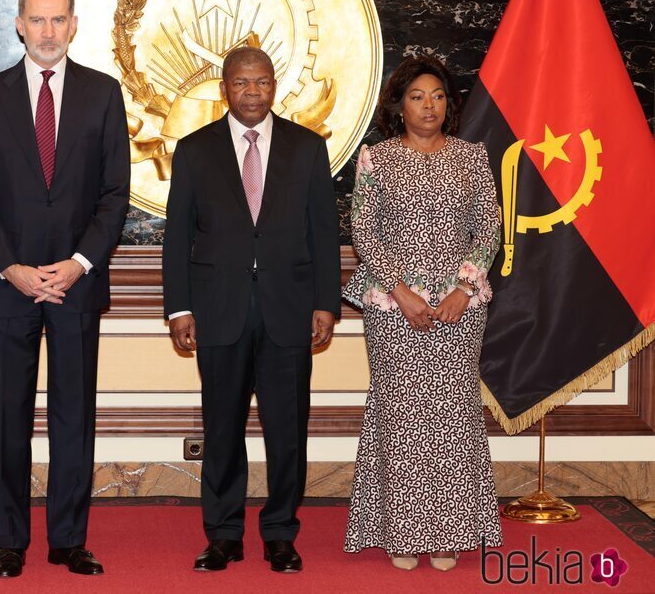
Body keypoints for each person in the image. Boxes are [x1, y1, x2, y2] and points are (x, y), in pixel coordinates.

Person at [0, 0, 130, 578]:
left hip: (76, 283)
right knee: (8, 415)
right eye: (38, 20)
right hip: (11, 284)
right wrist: (12, 267)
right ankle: (10, 540)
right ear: (19, 24)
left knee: (73, 416)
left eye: (59, 20)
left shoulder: (105, 95)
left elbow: (114, 195)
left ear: (74, 23)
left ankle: (67, 539)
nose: (48, 31)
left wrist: (77, 264)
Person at [163, 46, 341, 573]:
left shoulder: (308, 148)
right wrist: (178, 309)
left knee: (288, 432)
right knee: (222, 428)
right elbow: (178, 237)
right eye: (241, 83)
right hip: (218, 311)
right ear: (225, 87)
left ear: (274, 86)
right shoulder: (195, 150)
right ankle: (223, 535)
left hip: (289, 310)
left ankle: (281, 533)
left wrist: (326, 304)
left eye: (261, 82)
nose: (252, 92)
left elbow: (324, 234)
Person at [342, 55, 503, 571]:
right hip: (393, 306)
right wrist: (402, 291)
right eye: (417, 96)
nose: (428, 105)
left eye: (437, 95)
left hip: (461, 306)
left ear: (449, 105)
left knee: (451, 414)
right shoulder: (376, 158)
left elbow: (489, 230)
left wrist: (462, 288)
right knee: (401, 411)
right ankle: (403, 531)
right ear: (399, 105)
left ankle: (448, 530)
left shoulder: (472, 157)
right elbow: (365, 231)